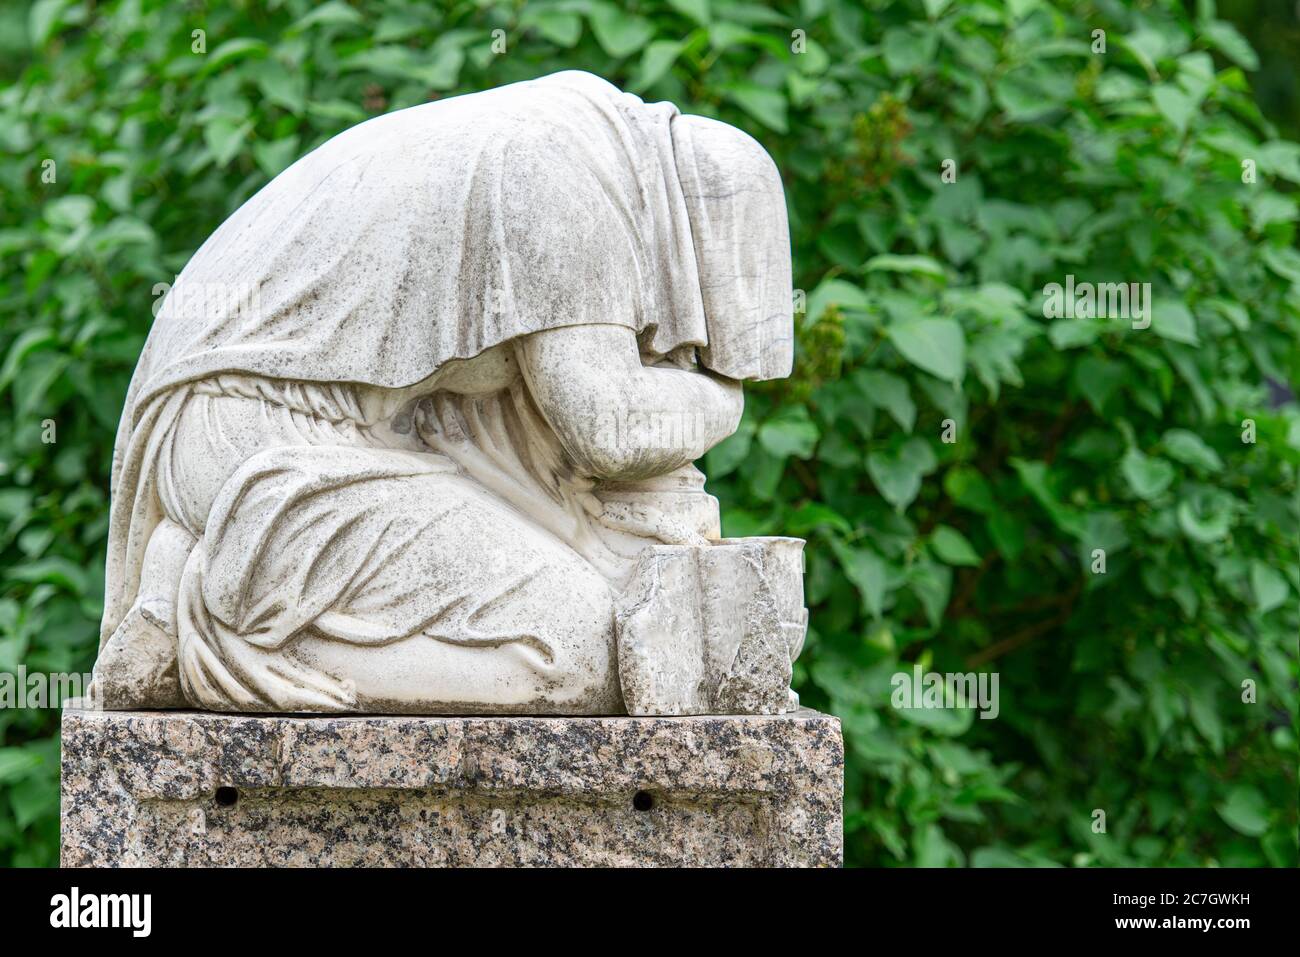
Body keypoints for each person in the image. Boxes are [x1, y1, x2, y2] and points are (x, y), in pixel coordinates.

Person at [94, 71, 792, 713]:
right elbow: (612, 427)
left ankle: (224, 570)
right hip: (260, 440)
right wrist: (720, 396)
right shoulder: (567, 177)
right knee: (581, 656)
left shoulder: (581, 136)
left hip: (284, 430)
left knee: (618, 603)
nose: (677, 358)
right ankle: (211, 624)